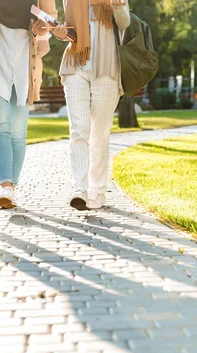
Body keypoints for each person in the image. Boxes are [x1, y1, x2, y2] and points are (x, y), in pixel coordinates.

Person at [0, 0, 57, 209]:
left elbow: (50, 22)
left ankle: (12, 186)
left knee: (18, 129)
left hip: (24, 57)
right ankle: (5, 186)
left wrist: (42, 28)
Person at [53, 0, 130, 210]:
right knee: (78, 130)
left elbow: (124, 24)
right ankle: (80, 189)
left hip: (106, 68)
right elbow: (70, 29)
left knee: (99, 134)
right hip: (75, 64)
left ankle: (98, 189)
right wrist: (60, 33)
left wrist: (117, 6)